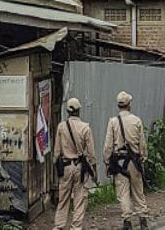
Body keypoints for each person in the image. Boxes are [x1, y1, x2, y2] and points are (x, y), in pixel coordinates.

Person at [104, 91, 148, 230]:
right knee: (138, 191)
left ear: (119, 105)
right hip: (134, 161)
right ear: (129, 104)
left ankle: (127, 221)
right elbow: (142, 144)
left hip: (119, 161)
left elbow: (108, 145)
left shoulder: (113, 122)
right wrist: (143, 158)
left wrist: (107, 161)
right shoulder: (136, 120)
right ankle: (143, 220)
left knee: (123, 193)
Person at [53, 98, 97, 230]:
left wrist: (57, 168)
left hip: (65, 167)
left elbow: (56, 152)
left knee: (63, 199)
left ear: (67, 111)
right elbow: (91, 154)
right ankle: (76, 227)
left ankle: (59, 226)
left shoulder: (61, 127)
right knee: (79, 199)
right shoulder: (85, 127)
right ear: (79, 111)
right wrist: (94, 171)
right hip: (80, 167)